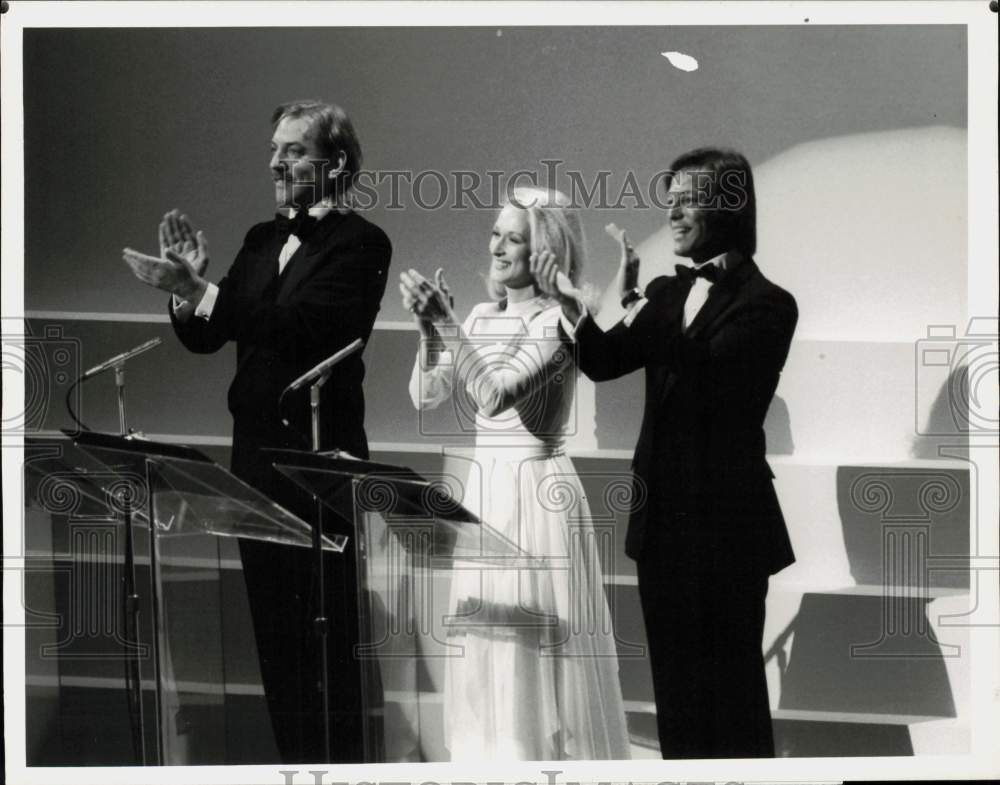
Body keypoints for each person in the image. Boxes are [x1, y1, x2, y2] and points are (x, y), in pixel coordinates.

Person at [123, 100, 392, 762]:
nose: (275, 161)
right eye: (274, 148)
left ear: (336, 165)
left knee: (324, 651)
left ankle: (340, 772)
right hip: (253, 468)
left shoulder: (362, 243)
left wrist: (208, 291)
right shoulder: (259, 238)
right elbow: (209, 334)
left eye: (293, 150)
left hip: (316, 467)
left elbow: (301, 328)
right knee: (277, 645)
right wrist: (189, 292)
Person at [533, 148, 798, 759]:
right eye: (669, 196)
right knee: (676, 696)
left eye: (688, 197)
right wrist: (569, 306)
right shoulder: (665, 295)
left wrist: (634, 307)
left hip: (729, 531)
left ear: (730, 205)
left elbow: (708, 375)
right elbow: (601, 363)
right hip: (663, 529)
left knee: (732, 697)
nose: (672, 210)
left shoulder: (770, 304)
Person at [399, 187, 630, 761]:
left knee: (535, 653)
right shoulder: (478, 315)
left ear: (545, 247)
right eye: (495, 234)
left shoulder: (559, 321)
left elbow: (497, 396)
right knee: (485, 645)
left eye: (514, 237)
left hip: (534, 494)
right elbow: (426, 397)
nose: (498, 247)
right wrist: (432, 332)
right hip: (487, 493)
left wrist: (447, 323)